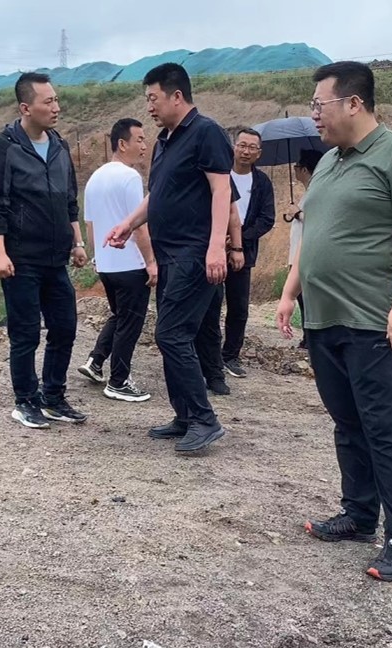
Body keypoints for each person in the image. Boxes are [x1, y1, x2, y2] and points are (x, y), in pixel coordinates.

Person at [276, 62, 392, 582]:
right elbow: (314, 233)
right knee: (347, 423)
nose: (313, 115)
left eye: (318, 105)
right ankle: (360, 514)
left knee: (386, 430)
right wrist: (290, 291)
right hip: (324, 319)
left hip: (373, 319)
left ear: (354, 103)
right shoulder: (327, 162)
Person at [104, 63, 231, 453]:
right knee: (174, 335)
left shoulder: (206, 132)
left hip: (194, 253)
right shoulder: (164, 141)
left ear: (177, 96)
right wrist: (128, 223)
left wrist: (216, 247)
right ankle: (186, 416)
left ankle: (204, 419)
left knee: (171, 335)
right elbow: (156, 195)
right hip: (169, 253)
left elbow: (221, 190)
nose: (149, 107)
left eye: (153, 98)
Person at [0, 71, 88, 429]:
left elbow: (68, 200)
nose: (56, 107)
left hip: (56, 258)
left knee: (65, 328)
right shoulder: (4, 146)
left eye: (56, 100)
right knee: (25, 333)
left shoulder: (59, 145)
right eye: (49, 101)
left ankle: (53, 397)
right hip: (21, 258)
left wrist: (77, 242)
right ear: (26, 108)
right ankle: (25, 401)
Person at [77, 118, 155, 403]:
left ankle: (96, 361)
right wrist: (151, 262)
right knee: (130, 323)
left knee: (120, 316)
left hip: (107, 265)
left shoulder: (95, 178)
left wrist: (98, 256)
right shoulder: (129, 177)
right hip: (130, 264)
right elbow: (139, 225)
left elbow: (90, 224)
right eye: (140, 139)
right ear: (122, 144)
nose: (144, 146)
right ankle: (119, 381)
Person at [219, 127, 275, 378]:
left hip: (244, 252)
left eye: (252, 147)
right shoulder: (219, 174)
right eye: (242, 145)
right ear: (234, 147)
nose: (246, 151)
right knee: (208, 305)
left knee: (239, 307)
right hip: (214, 247)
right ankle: (207, 355)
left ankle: (230, 355)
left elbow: (267, 218)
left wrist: (240, 239)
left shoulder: (262, 182)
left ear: (259, 153)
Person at [196, 198, 245, 396]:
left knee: (210, 319)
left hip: (211, 257)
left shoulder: (220, 180)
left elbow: (232, 212)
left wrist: (237, 248)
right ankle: (191, 374)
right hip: (177, 256)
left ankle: (214, 374)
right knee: (181, 324)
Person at [288, 150, 323, 350]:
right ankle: (307, 337)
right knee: (302, 298)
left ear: (304, 169)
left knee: (307, 298)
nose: (294, 170)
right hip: (297, 253)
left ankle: (311, 338)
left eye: (297, 167)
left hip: (307, 254)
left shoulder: (317, 193)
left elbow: (319, 222)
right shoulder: (308, 192)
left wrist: (298, 214)